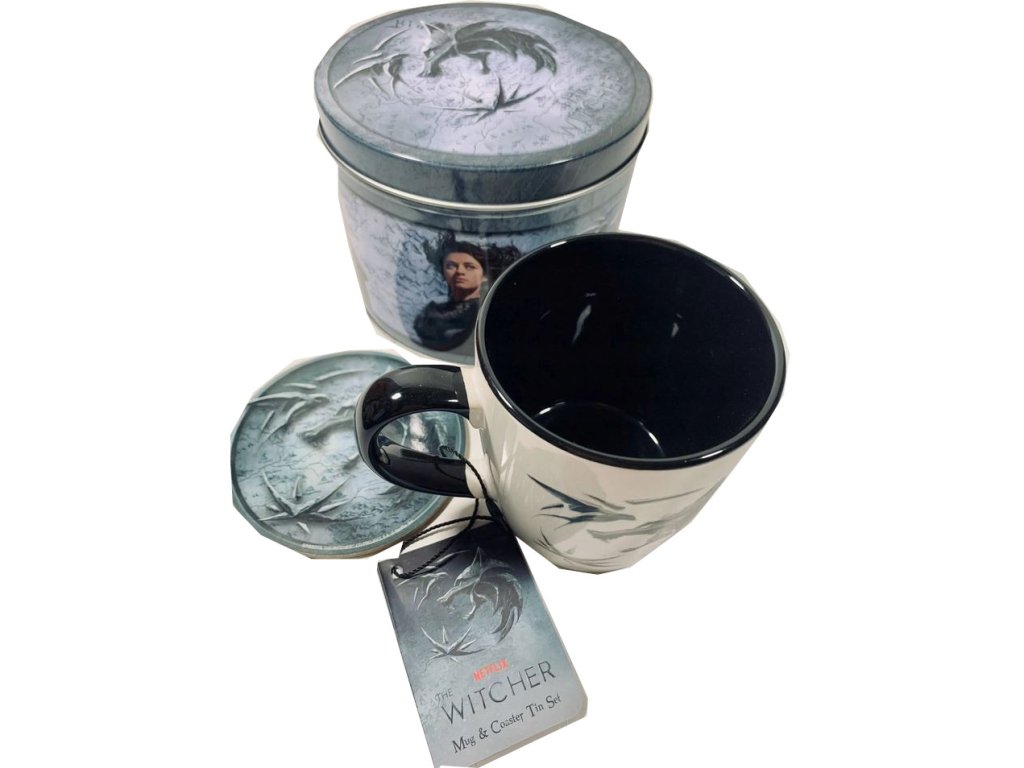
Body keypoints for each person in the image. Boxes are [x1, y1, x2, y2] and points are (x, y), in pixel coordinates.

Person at [414, 234, 519, 352]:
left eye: (469, 267)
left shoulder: (486, 312)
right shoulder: (433, 311)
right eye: (451, 266)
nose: (460, 271)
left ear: (484, 275)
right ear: (443, 272)